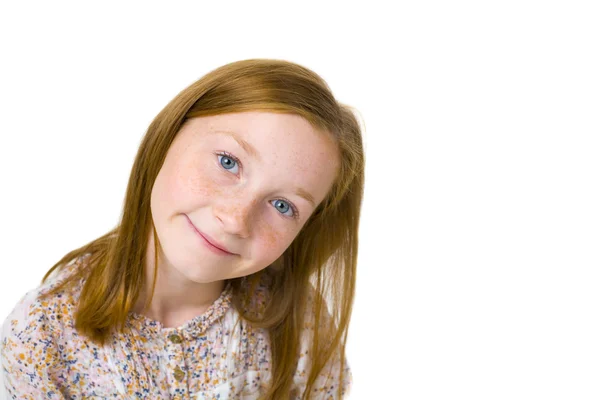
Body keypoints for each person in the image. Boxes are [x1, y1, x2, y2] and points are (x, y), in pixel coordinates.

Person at [1, 58, 365, 399]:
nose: (235, 219)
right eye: (228, 162)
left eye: (282, 206)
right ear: (169, 135)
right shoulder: (41, 335)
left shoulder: (300, 324)